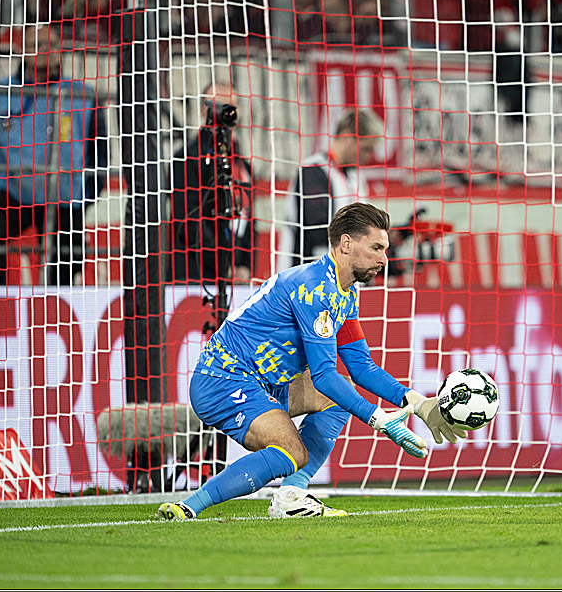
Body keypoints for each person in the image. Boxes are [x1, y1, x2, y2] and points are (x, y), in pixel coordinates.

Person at [156, 203, 464, 521]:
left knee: (337, 396)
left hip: (264, 382)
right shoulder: (314, 289)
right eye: (375, 248)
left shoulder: (344, 293)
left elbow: (360, 366)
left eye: (384, 250)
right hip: (223, 379)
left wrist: (416, 401)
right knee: (293, 450)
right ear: (346, 244)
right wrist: (379, 419)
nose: (383, 259)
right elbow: (323, 375)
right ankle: (189, 506)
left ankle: (292, 496)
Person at [0, 23, 107, 285]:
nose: (44, 51)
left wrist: (88, 195)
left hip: (65, 196)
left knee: (68, 259)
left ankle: (59, 313)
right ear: (22, 50)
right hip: (12, 191)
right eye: (35, 45)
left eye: (51, 45)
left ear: (59, 51)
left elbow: (99, 152)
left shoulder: (84, 95)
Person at [277, 108, 383, 271]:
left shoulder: (355, 177)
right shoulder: (313, 171)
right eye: (366, 149)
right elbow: (318, 229)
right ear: (347, 136)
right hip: (304, 275)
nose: (369, 156)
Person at [170, 82, 254, 284]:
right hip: (196, 275)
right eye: (217, 104)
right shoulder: (188, 158)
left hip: (236, 277)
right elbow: (189, 221)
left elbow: (250, 219)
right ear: (202, 110)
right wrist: (224, 265)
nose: (223, 112)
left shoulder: (242, 164)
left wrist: (245, 266)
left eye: (229, 106)